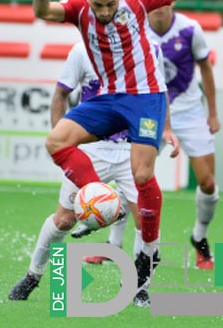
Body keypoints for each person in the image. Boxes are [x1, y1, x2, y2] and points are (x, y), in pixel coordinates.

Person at [30, 0, 223, 306]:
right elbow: (43, 9)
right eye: (98, 5)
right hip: (110, 98)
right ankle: (97, 196)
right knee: (56, 141)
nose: (105, 12)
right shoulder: (79, 9)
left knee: (142, 175)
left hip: (146, 98)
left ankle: (149, 250)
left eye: (110, 4)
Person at [8, 42, 141, 301]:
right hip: (90, 149)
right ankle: (32, 276)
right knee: (64, 221)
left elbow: (158, 96)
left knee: (145, 220)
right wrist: (61, 138)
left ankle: (139, 288)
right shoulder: (82, 51)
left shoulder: (140, 50)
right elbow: (61, 94)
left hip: (130, 149)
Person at [143, 0, 221, 271]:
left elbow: (206, 70)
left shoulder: (190, 29)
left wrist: (212, 112)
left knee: (208, 183)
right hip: (152, 112)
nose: (160, 7)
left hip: (189, 112)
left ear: (172, 1)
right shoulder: (138, 30)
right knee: (134, 176)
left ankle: (199, 237)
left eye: (165, 1)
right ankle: (113, 245)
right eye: (155, 2)